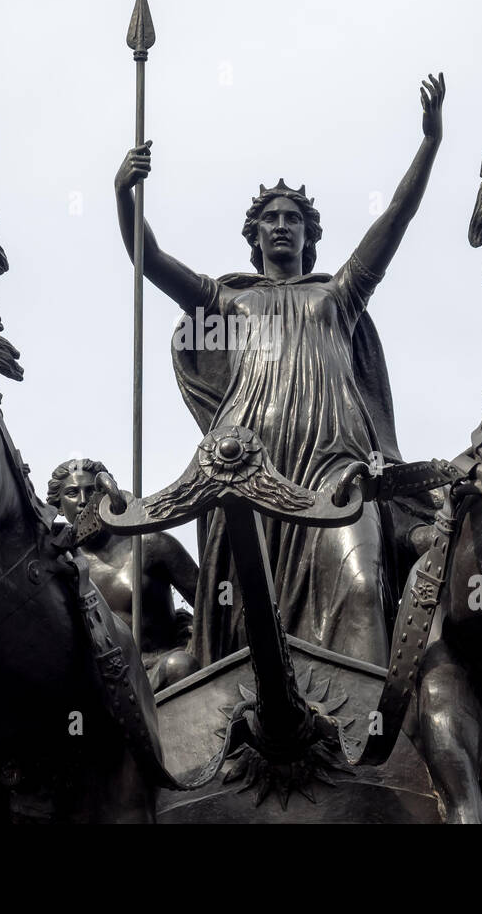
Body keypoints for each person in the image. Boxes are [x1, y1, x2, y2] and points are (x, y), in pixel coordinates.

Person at [114, 73, 446, 667]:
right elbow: (150, 259)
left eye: (293, 218)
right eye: (271, 218)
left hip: (333, 460)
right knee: (245, 609)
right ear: (255, 234)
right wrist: (123, 195)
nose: (281, 225)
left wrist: (429, 144)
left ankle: (368, 727)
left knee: (362, 585)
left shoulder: (338, 295)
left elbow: (395, 220)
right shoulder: (228, 298)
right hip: (247, 461)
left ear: (308, 236)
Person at [47, 457, 200, 691]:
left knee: (179, 666)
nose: (83, 500)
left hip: (163, 668)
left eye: (90, 491)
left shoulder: (149, 545)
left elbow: (212, 606)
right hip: (107, 687)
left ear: (105, 495)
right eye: (72, 493)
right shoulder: (60, 570)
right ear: (58, 506)